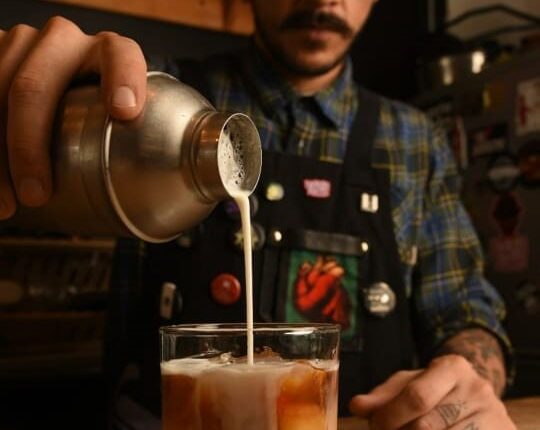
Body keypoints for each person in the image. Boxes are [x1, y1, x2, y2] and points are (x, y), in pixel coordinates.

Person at [0, 0, 517, 428]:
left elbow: (464, 306)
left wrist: (468, 373)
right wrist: (57, 104)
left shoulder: (414, 140)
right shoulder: (144, 99)